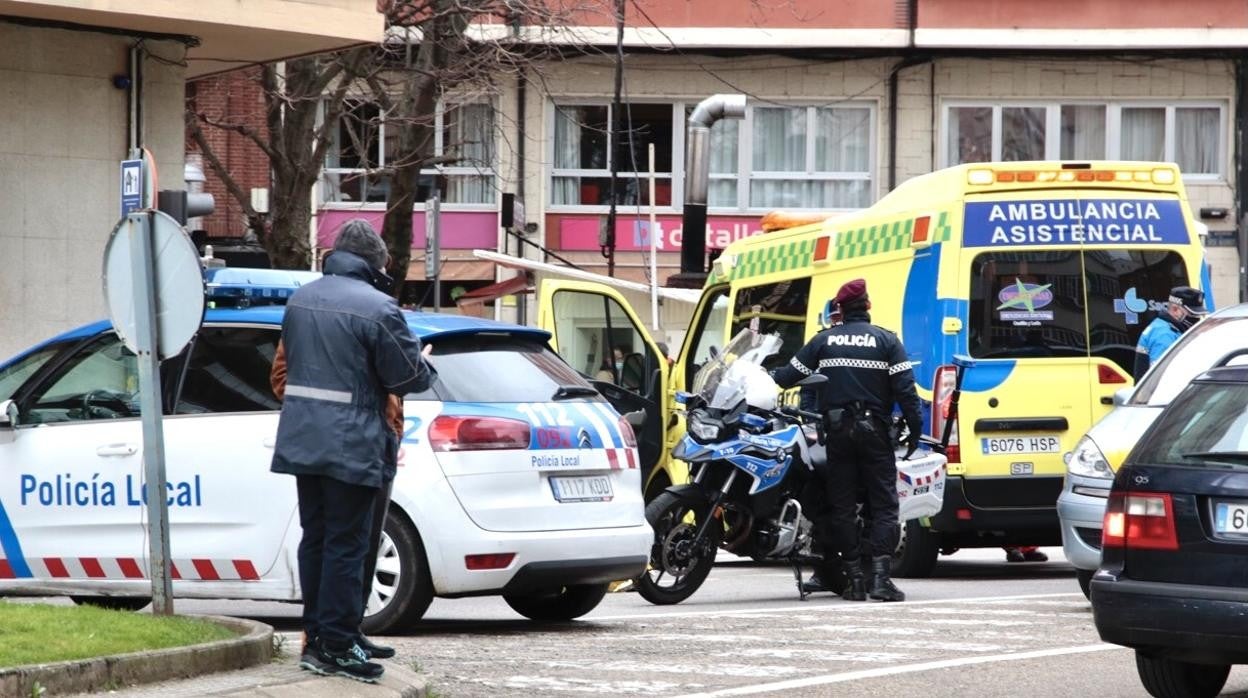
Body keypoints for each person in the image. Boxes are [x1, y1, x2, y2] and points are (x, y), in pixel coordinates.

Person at [270, 219, 436, 683]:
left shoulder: (301, 299)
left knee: (318, 539)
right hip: (354, 442)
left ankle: (320, 637)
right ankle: (338, 646)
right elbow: (407, 378)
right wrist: (421, 361)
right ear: (373, 263)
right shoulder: (378, 307)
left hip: (304, 440)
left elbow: (289, 370)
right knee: (348, 545)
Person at [772, 279, 923, 603]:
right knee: (883, 506)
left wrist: (759, 377)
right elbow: (906, 391)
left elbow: (787, 376)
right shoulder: (887, 341)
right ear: (867, 306)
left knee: (841, 507)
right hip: (875, 433)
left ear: (839, 309)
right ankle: (880, 580)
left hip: (838, 434)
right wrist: (914, 428)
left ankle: (853, 580)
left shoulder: (823, 342)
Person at [271, 337, 406, 663]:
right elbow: (281, 382)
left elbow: (391, 385)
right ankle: (324, 636)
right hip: (336, 443)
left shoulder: (367, 320)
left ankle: (349, 629)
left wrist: (392, 427)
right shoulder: (308, 325)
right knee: (335, 543)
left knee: (365, 544)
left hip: (376, 444)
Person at [1133, 286, 1207, 380]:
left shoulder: (1161, 325)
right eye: (1192, 314)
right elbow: (1162, 378)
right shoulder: (1165, 334)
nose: (1196, 319)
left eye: (1198, 315)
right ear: (1175, 309)